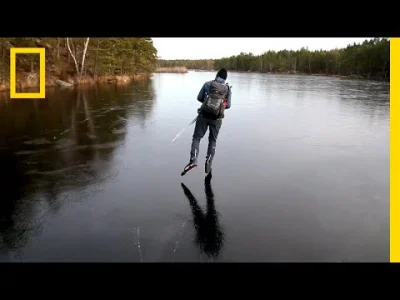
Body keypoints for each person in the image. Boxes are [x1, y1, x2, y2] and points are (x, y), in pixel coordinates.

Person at [182, 68, 232, 175]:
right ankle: (208, 163)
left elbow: (199, 97)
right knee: (212, 140)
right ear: (225, 78)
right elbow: (228, 106)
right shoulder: (227, 88)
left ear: (216, 75)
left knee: (197, 137)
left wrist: (207, 103)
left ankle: (193, 159)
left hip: (203, 116)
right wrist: (219, 105)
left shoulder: (207, 84)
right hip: (217, 119)